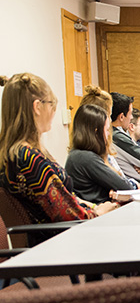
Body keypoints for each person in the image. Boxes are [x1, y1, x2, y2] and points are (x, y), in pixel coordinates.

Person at [0, 73, 118, 225]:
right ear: (37, 107)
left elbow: (62, 202)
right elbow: (69, 216)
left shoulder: (11, 153)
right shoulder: (29, 159)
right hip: (56, 240)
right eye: (51, 104)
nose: (54, 111)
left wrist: (92, 207)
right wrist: (98, 212)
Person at [65, 104, 134, 204]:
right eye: (106, 130)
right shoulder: (86, 158)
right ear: (96, 133)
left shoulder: (77, 155)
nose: (109, 134)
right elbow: (127, 188)